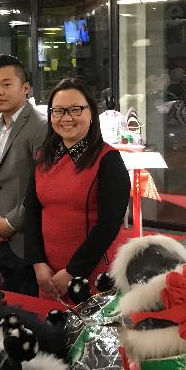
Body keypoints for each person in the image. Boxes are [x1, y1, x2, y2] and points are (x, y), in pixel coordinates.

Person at [24, 77, 130, 299]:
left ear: (91, 113)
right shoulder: (44, 156)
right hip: (49, 276)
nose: (67, 118)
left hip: (91, 274)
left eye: (75, 110)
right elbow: (32, 211)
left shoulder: (108, 160)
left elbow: (108, 226)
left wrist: (73, 271)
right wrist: (38, 264)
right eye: (59, 111)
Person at [0, 54, 46, 295]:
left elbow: (43, 186)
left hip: (27, 238)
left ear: (25, 88)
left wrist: (10, 223)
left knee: (30, 307)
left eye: (7, 84)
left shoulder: (41, 126)